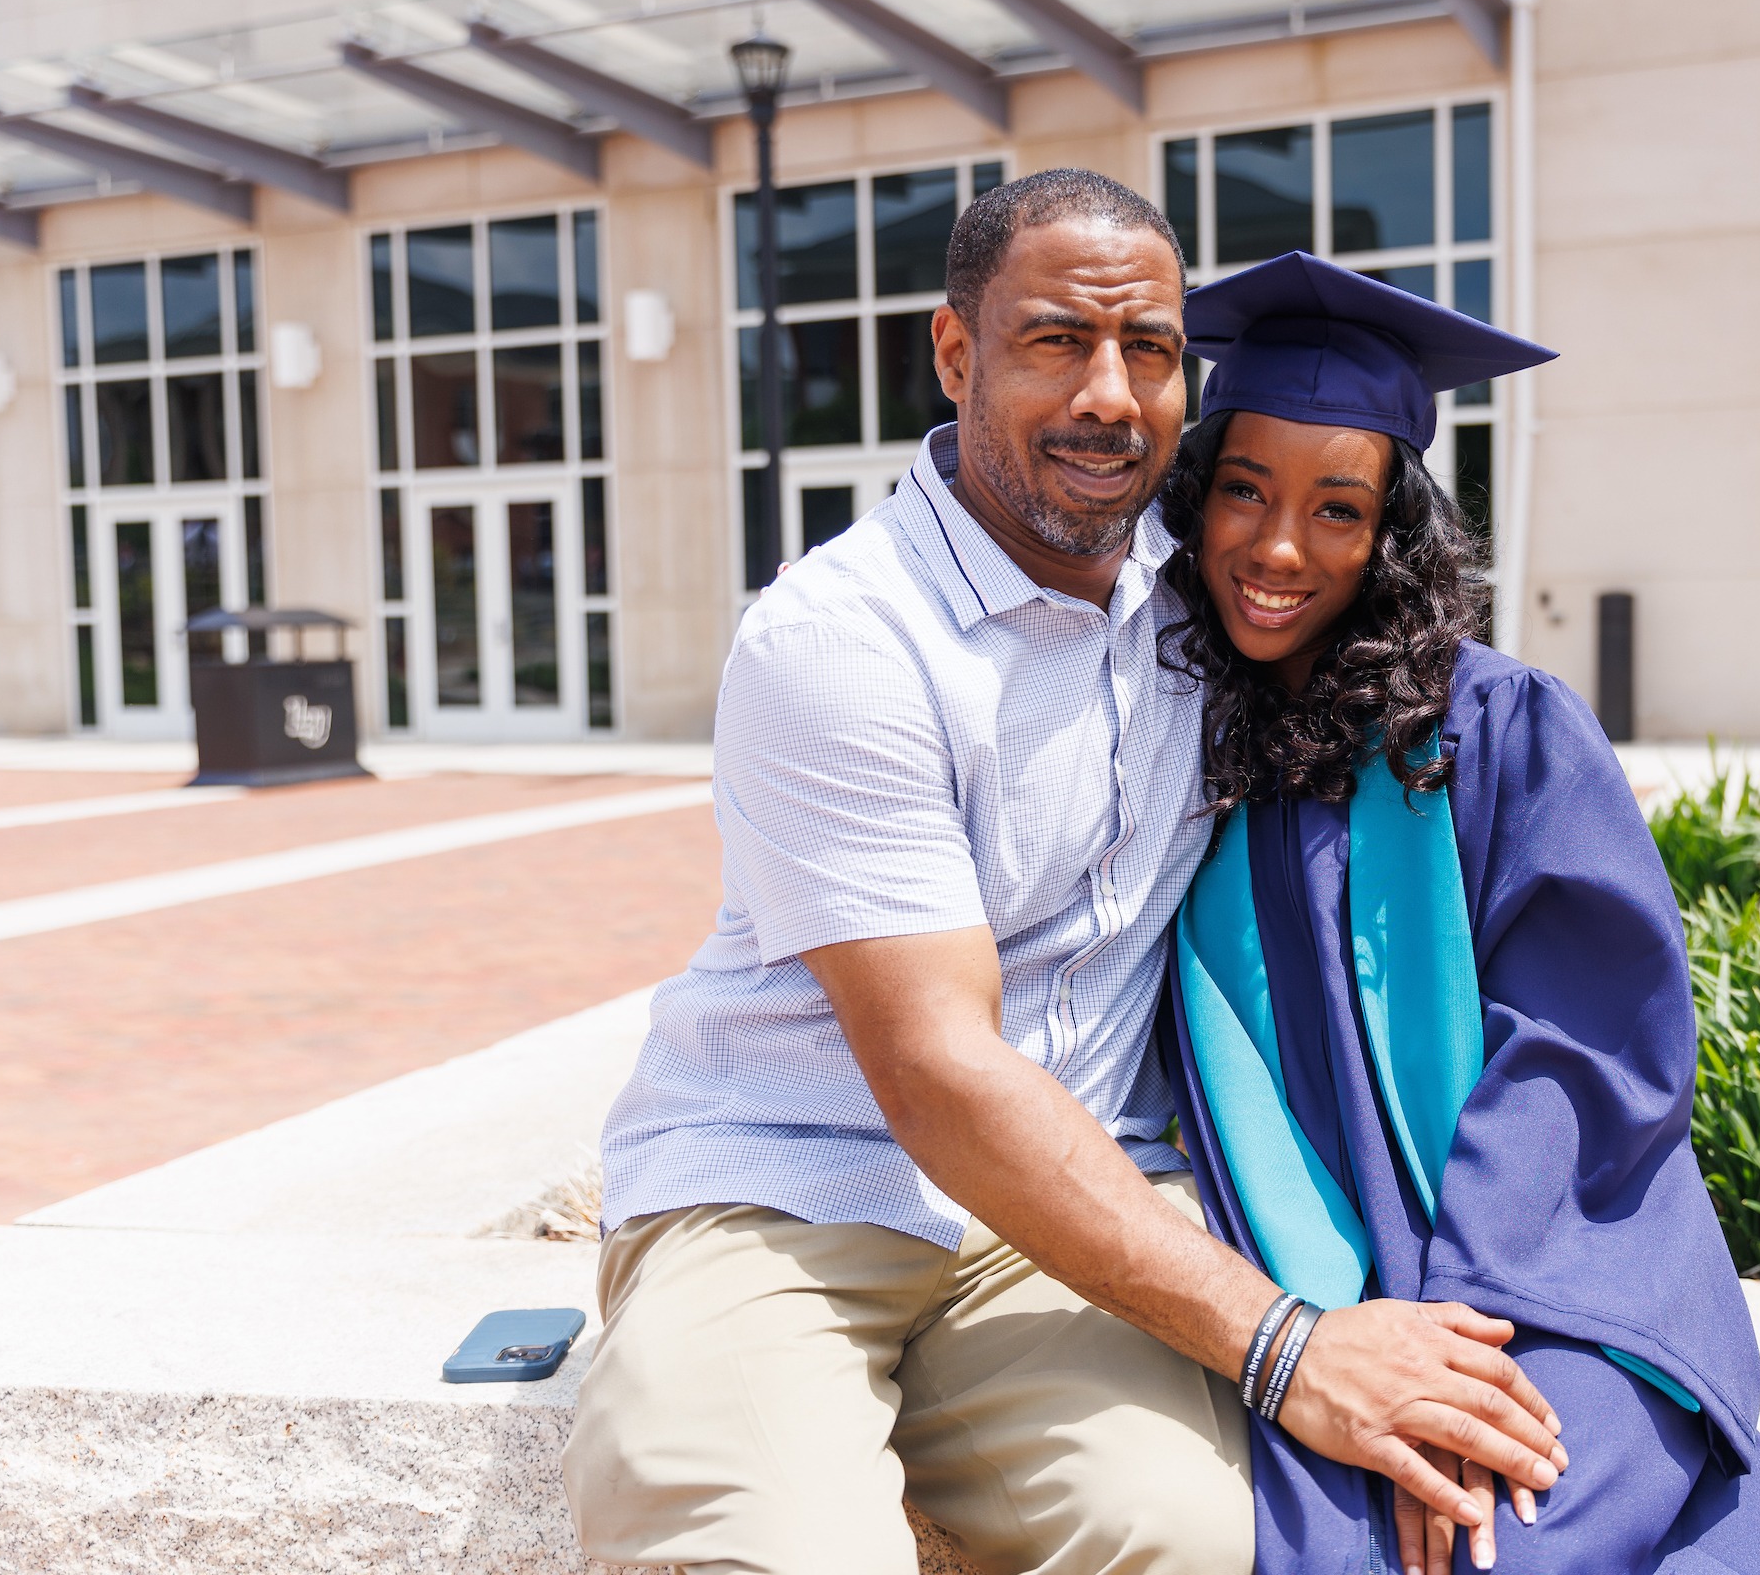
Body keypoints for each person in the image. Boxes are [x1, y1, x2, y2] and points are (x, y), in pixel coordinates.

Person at [564, 178, 1568, 1575]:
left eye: (1149, 349)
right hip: (781, 1189)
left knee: (1190, 1541)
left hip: (1060, 1219)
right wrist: (1289, 1349)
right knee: (757, 1550)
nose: (1111, 395)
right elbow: (937, 1072)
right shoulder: (845, 640)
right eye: (1055, 342)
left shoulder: (1204, 598)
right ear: (957, 353)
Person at [1153, 252, 1760, 1575]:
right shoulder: (1169, 742)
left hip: (1552, 1270)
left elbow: (1584, 1054)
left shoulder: (1499, 730)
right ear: (1195, 502)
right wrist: (1361, 1344)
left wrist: (1461, 1330)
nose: (1280, 547)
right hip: (1309, 1292)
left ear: (1391, 534)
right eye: (1244, 490)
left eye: (1338, 510)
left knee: (1508, 1535)